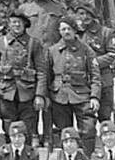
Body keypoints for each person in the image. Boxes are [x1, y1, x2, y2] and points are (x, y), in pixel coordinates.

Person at [0, 10, 46, 141]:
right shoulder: (0, 42)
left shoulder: (34, 43)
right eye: (13, 22)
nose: (16, 25)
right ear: (9, 24)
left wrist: (39, 95)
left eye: (19, 22)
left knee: (28, 128)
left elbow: (41, 71)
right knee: (8, 128)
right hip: (5, 92)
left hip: (28, 93)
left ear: (25, 24)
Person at [42, 17, 101, 150]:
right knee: (64, 132)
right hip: (59, 96)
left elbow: (95, 75)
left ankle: (87, 159)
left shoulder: (87, 50)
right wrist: (46, 96)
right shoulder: (52, 51)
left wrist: (94, 97)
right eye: (63, 29)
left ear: (75, 30)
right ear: (59, 31)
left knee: (88, 129)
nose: (66, 31)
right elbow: (46, 76)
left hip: (82, 95)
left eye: (69, 29)